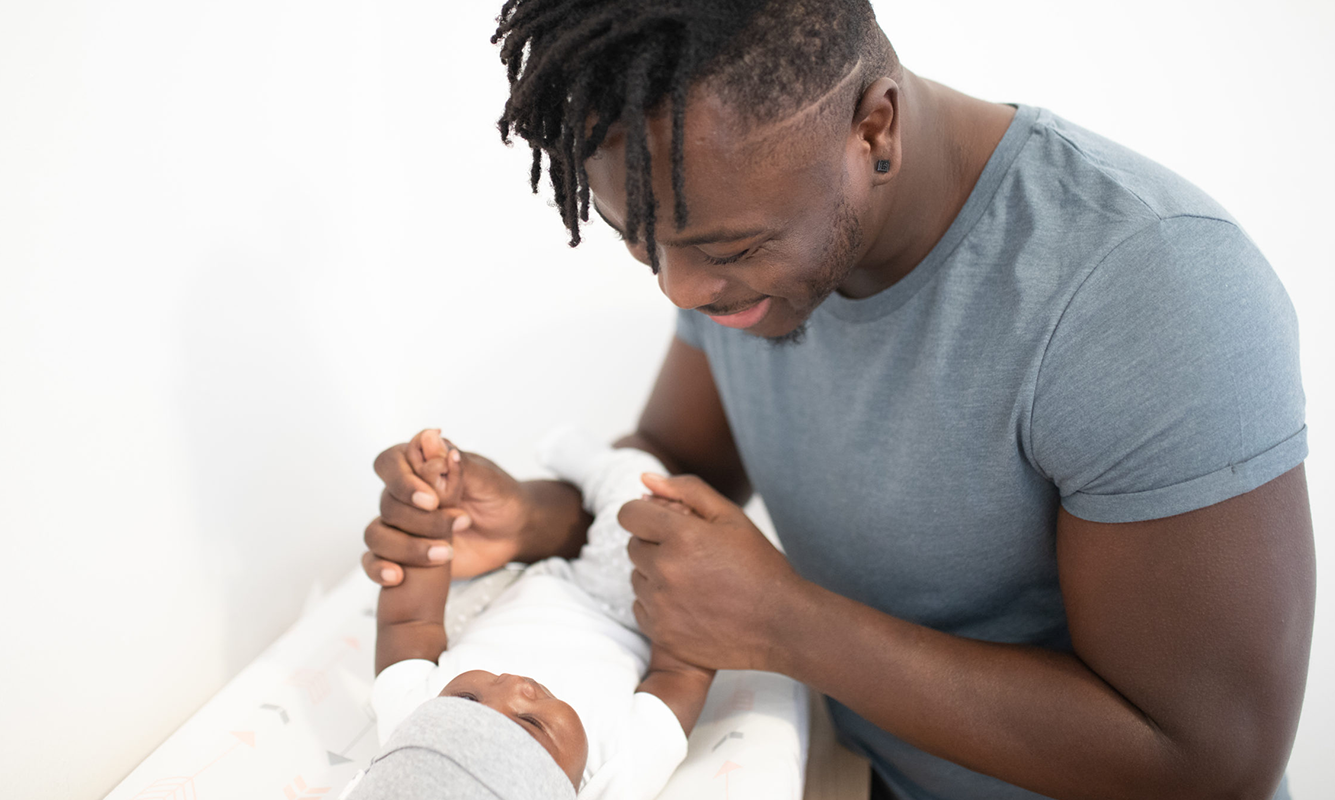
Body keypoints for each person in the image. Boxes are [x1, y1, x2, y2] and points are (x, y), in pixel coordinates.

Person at [360, 2, 1315, 798]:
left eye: (726, 251)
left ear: (874, 129)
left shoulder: (1150, 290)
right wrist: (537, 517)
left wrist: (786, 624)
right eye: (641, 243)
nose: (680, 292)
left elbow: (1207, 759)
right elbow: (676, 460)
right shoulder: (738, 236)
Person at [350, 429, 714, 800]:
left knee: (632, 495)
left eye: (465, 701)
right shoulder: (617, 777)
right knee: (654, 516)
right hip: (623, 608)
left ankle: (577, 470)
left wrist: (429, 523)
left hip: (502, 585)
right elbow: (678, 674)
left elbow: (410, 622)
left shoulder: (409, 725)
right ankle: (600, 470)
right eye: (531, 723)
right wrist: (696, 593)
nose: (512, 684)